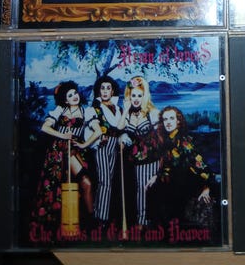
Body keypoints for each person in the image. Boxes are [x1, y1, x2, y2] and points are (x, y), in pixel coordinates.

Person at [32, 81, 101, 232]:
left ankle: (91, 222)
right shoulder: (59, 110)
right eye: (70, 95)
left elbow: (98, 131)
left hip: (73, 151)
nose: (74, 96)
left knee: (86, 183)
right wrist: (62, 135)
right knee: (54, 185)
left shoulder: (87, 111)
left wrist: (83, 145)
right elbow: (45, 127)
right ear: (65, 100)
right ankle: (54, 223)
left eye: (75, 93)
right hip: (57, 151)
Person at [146, 106, 215, 232]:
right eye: (165, 119)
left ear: (178, 121)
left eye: (171, 118)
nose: (168, 122)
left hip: (185, 188)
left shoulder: (184, 142)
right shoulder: (168, 140)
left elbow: (201, 166)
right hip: (173, 187)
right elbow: (167, 165)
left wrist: (207, 188)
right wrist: (156, 176)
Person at [118, 76, 159, 230]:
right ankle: (142, 220)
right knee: (141, 189)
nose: (136, 99)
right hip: (137, 160)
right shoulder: (128, 114)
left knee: (150, 188)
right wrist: (125, 110)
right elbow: (119, 128)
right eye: (133, 95)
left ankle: (150, 220)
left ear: (144, 96)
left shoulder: (152, 112)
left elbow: (161, 138)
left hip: (153, 158)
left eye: (139, 96)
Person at [86, 76, 122, 230]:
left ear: (112, 91)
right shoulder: (94, 108)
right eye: (102, 88)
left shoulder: (118, 108)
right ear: (98, 91)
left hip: (115, 146)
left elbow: (121, 128)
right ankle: (102, 219)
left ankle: (100, 214)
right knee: (105, 181)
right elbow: (89, 130)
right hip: (102, 146)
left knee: (109, 182)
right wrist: (97, 140)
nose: (105, 91)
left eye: (108, 88)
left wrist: (122, 139)